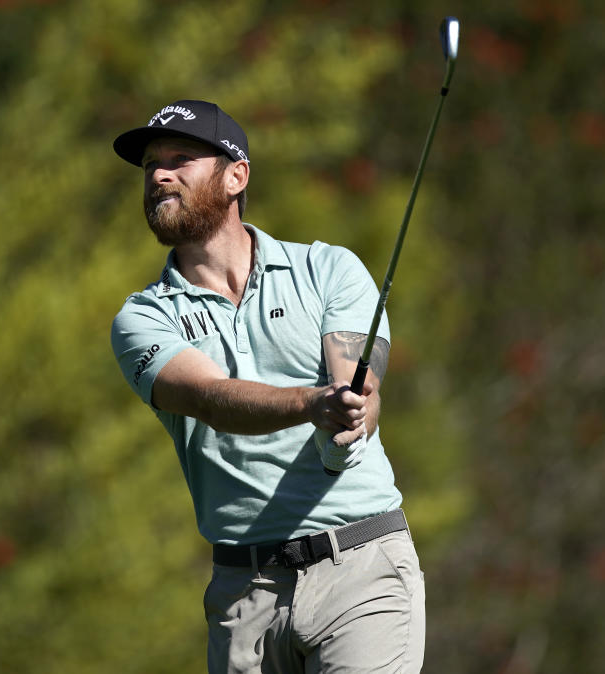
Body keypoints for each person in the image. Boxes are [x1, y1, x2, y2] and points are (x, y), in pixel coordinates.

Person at [110, 99, 424, 673]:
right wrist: (312, 405)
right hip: (243, 596)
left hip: (361, 570)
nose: (158, 175)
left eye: (181, 159)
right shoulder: (142, 318)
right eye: (152, 164)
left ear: (237, 176)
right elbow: (208, 398)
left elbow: (358, 386)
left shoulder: (328, 270)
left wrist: (352, 410)